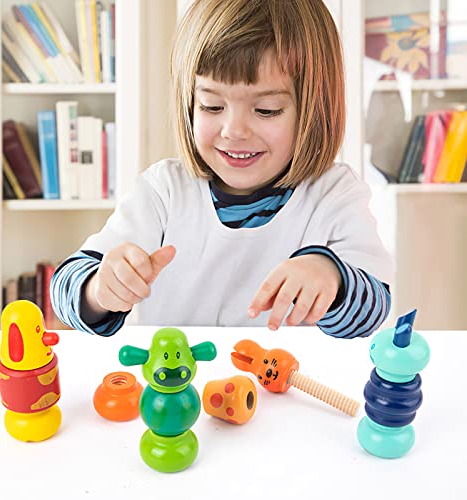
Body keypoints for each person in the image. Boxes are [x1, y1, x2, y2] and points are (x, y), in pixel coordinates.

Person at [51, 0, 393, 338]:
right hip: (178, 375)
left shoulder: (334, 194)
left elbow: (373, 310)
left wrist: (331, 276)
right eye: (212, 106)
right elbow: (65, 285)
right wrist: (99, 289)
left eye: (266, 109)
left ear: (314, 109)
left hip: (288, 376)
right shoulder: (163, 191)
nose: (234, 131)